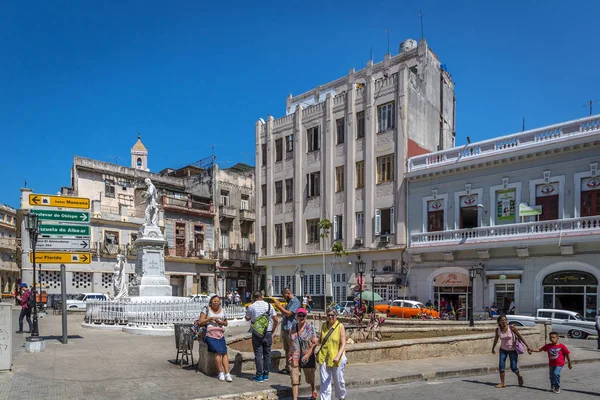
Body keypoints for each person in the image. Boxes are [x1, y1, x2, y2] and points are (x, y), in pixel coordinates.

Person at [245, 291, 278, 383]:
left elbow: (247, 318)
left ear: (253, 297)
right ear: (261, 296)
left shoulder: (251, 306)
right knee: (267, 354)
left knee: (258, 354)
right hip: (268, 332)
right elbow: (276, 320)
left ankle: (259, 376)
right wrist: (272, 330)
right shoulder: (269, 305)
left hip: (257, 332)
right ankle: (266, 374)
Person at [199, 294, 232, 382]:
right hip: (210, 334)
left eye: (217, 301)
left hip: (220, 333)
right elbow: (200, 321)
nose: (216, 303)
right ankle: (220, 372)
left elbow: (226, 323)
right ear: (211, 302)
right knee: (218, 352)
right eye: (214, 301)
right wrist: (210, 319)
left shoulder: (222, 310)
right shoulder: (206, 309)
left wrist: (220, 322)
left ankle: (227, 373)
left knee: (224, 352)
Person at [491, 315, 531, 388]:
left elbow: (520, 336)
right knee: (501, 366)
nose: (504, 322)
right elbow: (496, 339)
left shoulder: (511, 328)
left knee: (513, 367)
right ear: (499, 322)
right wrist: (493, 348)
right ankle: (502, 383)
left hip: (513, 350)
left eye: (505, 320)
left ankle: (519, 376)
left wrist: (527, 346)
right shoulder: (497, 329)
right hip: (503, 350)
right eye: (502, 320)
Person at [317, 307, 347, 400]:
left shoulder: (340, 326)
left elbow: (343, 344)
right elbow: (321, 340)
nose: (330, 317)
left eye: (332, 315)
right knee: (324, 381)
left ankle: (341, 397)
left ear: (336, 316)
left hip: (337, 357)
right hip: (324, 356)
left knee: (339, 381)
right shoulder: (324, 326)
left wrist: (338, 356)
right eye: (328, 315)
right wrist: (315, 340)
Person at [289, 307, 318, 400]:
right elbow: (291, 342)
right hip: (295, 357)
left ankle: (313, 389)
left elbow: (315, 343)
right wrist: (290, 355)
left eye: (303, 316)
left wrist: (309, 353)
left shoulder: (310, 328)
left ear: (306, 317)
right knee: (294, 379)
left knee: (310, 378)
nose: (301, 317)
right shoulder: (293, 327)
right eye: (299, 315)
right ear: (296, 317)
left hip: (307, 357)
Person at [273, 287, 301, 374]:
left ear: (288, 293)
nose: (284, 298)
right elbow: (285, 313)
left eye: (284, 296)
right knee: (287, 349)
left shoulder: (295, 302)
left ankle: (294, 367)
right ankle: (288, 367)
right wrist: (282, 308)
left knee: (292, 348)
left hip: (291, 329)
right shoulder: (289, 303)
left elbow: (289, 314)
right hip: (285, 328)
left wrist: (279, 306)